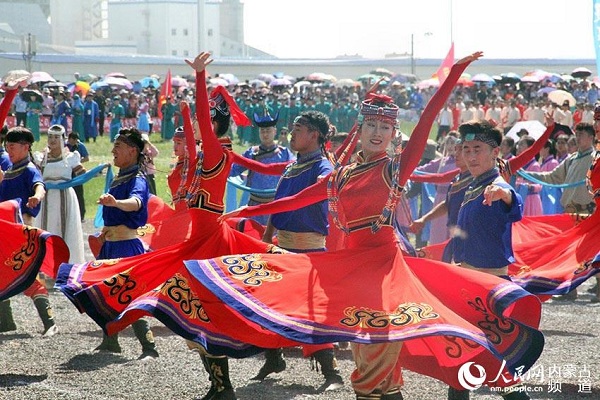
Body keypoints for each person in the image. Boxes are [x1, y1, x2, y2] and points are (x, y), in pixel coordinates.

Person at [187, 52, 543, 400]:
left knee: (372, 360)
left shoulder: (394, 169)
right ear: (360, 130)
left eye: (386, 127)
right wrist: (246, 210)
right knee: (372, 360)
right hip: (350, 267)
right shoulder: (340, 174)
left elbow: (428, 116)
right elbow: (296, 200)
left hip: (384, 270)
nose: (378, 132)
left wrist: (453, 73)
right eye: (371, 125)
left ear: (393, 133)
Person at [249, 110, 343, 391]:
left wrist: (328, 179)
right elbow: (277, 208)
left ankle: (331, 372)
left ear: (314, 135)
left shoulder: (321, 167)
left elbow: (327, 183)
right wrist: (266, 243)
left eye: (298, 128)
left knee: (311, 311)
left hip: (309, 253)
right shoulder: (291, 167)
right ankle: (274, 357)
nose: (291, 133)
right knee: (269, 304)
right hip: (282, 247)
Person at [446, 121, 528, 400]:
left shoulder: (495, 185)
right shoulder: (472, 186)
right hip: (467, 285)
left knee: (485, 362)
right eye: (466, 149)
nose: (470, 156)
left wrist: (503, 194)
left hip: (489, 288)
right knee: (463, 358)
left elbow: (513, 201)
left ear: (495, 152)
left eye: (477, 149)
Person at [91, 127, 159, 360]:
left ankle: (149, 347)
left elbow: (137, 203)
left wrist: (116, 202)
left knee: (128, 294)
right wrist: (104, 233)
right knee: (107, 291)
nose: (112, 151)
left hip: (126, 246)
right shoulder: (122, 175)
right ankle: (110, 341)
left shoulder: (138, 178)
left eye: (117, 147)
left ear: (132, 151)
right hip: (111, 243)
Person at [0, 126, 58, 337]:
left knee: (25, 275)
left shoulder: (29, 169)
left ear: (26, 148)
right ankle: (6, 321)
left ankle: (49, 321)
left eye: (12, 146)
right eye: (7, 146)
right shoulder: (9, 172)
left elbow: (40, 186)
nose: (9, 150)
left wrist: (37, 197)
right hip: (5, 231)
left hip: (21, 231)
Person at [229, 112, 295, 225]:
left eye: (268, 131)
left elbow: (295, 172)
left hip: (276, 205)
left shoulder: (284, 153)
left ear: (274, 131)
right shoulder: (251, 153)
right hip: (254, 205)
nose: (265, 134)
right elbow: (233, 170)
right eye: (262, 131)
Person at [33, 124, 86, 264]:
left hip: (65, 197)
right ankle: (46, 266)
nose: (52, 140)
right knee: (46, 229)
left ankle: (65, 266)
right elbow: (36, 177)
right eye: (50, 137)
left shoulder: (70, 157)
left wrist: (101, 170)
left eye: (56, 137)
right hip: (46, 198)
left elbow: (82, 174)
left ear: (63, 139)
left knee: (65, 231)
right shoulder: (42, 158)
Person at [514, 135, 543, 216]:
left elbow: (539, 185)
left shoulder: (535, 165)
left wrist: (527, 186)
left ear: (530, 148)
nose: (518, 147)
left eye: (522, 145)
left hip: (531, 201)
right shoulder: (519, 164)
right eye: (518, 145)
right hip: (521, 199)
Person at [66, 132, 89, 221]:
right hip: (67, 173)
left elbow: (87, 158)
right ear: (70, 139)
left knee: (79, 193)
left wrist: (76, 163)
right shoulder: (64, 145)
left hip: (77, 173)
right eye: (74, 140)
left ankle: (81, 215)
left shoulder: (80, 146)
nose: (76, 142)